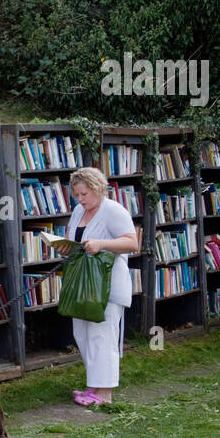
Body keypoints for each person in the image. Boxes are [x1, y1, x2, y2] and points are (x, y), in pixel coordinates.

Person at [64, 167, 138, 405]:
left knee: (102, 335)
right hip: (83, 284)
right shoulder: (78, 211)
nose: (81, 199)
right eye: (77, 195)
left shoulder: (114, 211)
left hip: (106, 285)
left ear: (98, 189)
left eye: (84, 194)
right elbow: (75, 239)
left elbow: (132, 243)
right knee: (82, 333)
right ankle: (93, 386)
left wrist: (101, 244)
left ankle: (105, 393)